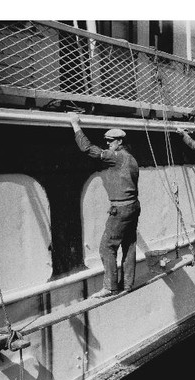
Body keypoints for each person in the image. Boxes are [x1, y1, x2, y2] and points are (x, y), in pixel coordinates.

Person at [69, 113, 141, 298]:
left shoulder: (116, 157)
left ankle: (110, 287)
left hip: (121, 209)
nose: (108, 144)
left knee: (106, 247)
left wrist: (75, 124)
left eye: (110, 141)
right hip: (133, 206)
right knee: (129, 244)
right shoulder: (131, 159)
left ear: (118, 142)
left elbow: (89, 150)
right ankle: (127, 284)